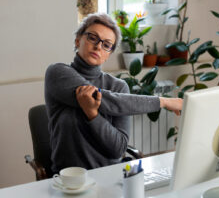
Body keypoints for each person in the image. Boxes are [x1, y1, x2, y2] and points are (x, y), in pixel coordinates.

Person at [44, 13, 183, 174]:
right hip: (67, 179)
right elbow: (103, 98)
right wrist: (163, 102)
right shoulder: (57, 73)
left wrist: (93, 115)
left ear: (109, 54)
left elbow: (117, 149)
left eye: (106, 44)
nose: (98, 46)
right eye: (92, 37)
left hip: (108, 176)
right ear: (78, 40)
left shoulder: (118, 87)